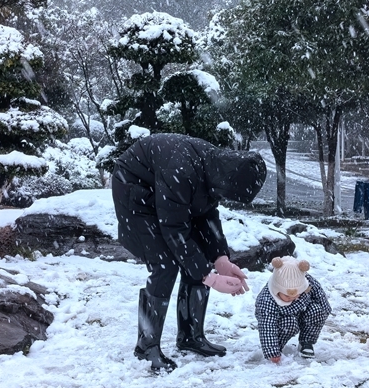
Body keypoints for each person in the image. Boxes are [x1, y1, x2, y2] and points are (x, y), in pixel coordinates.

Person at [112, 133, 267, 372]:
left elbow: (206, 213)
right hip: (134, 191)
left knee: (199, 258)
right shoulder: (182, 170)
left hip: (164, 191)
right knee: (165, 264)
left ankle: (190, 337)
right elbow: (174, 228)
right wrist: (210, 278)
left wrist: (220, 259)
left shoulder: (216, 168)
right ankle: (146, 347)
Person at [254, 256, 331, 363]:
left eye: (297, 294)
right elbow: (267, 327)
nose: (292, 298)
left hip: (302, 310)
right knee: (289, 324)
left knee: (317, 310)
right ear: (277, 290)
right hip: (282, 318)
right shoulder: (267, 300)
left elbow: (319, 295)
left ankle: (306, 342)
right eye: (287, 296)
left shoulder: (305, 282)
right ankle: (277, 348)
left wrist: (324, 310)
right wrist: (272, 350)